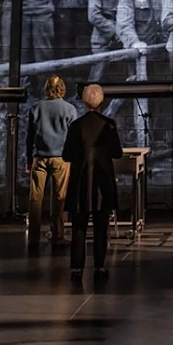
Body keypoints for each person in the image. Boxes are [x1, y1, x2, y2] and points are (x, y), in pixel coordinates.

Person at [62, 84, 124, 283]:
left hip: (80, 182)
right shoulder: (109, 125)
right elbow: (117, 153)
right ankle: (99, 266)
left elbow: (66, 155)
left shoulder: (76, 126)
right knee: (101, 227)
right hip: (102, 183)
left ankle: (76, 268)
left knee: (78, 228)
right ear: (101, 102)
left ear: (83, 101)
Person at [26, 75, 78, 253]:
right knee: (59, 199)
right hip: (61, 159)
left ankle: (33, 237)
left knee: (35, 199)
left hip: (39, 158)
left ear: (46, 88)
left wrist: (29, 159)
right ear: (62, 88)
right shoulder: (70, 109)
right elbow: (73, 139)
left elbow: (29, 138)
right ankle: (58, 235)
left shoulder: (35, 108)